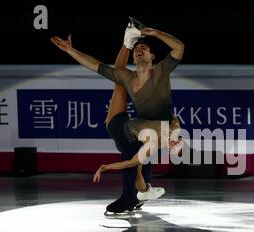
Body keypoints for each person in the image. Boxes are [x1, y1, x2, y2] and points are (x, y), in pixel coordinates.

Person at [50, 21, 184, 214]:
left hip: (131, 128)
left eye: (143, 47)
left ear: (152, 57)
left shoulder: (161, 73)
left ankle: (136, 195)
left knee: (137, 156)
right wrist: (70, 51)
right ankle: (141, 192)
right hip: (131, 128)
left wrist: (154, 32)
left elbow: (179, 47)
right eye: (136, 48)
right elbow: (95, 65)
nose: (140, 49)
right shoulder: (128, 77)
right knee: (118, 81)